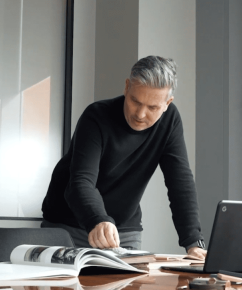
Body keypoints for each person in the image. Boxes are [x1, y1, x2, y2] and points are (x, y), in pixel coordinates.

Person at [41, 56, 206, 259]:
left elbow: (180, 182)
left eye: (152, 107)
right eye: (135, 101)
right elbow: (81, 182)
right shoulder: (96, 117)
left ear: (167, 103)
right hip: (67, 225)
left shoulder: (170, 121)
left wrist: (193, 241)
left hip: (123, 231)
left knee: (127, 289)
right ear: (127, 87)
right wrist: (98, 219)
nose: (140, 114)